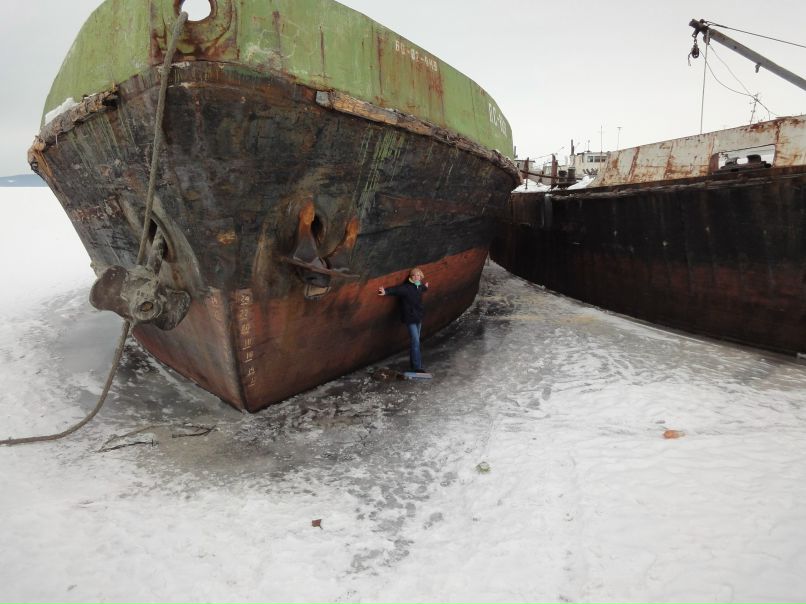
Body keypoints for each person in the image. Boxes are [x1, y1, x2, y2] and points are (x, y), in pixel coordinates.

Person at [378, 267, 429, 373]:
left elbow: (423, 288)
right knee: (415, 341)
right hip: (410, 319)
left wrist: (426, 287)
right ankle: (417, 367)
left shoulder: (419, 286)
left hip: (418, 318)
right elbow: (396, 289)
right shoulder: (406, 288)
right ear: (411, 277)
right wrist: (385, 291)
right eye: (414, 275)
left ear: (421, 277)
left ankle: (413, 364)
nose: (416, 277)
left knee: (416, 342)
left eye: (418, 275)